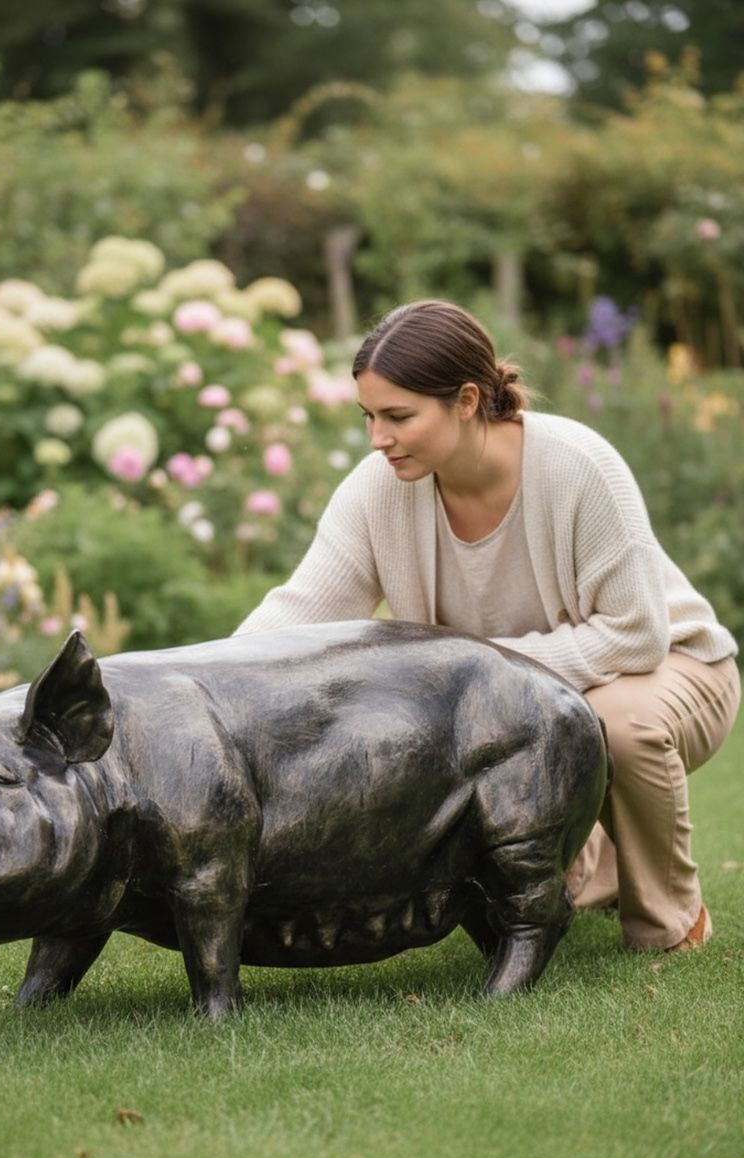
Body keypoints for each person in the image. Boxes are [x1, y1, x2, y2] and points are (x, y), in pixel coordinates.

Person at [235, 299, 740, 952]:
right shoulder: (378, 489)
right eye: (369, 416)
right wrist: (198, 680)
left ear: (467, 400)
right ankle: (591, 861)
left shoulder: (577, 467)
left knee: (616, 724)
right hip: (522, 699)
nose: (377, 438)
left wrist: (478, 667)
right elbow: (299, 612)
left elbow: (635, 636)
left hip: (668, 668)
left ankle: (672, 923)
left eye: (398, 416)